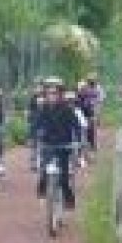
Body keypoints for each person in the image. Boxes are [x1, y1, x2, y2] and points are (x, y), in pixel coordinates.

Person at [33, 77, 83, 210]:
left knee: (64, 177)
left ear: (60, 94)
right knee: (43, 171)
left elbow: (76, 125)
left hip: (63, 146)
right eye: (49, 93)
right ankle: (42, 192)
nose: (52, 96)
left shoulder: (67, 109)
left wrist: (77, 140)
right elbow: (36, 125)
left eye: (55, 93)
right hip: (47, 145)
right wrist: (33, 136)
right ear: (46, 94)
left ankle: (68, 199)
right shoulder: (43, 109)